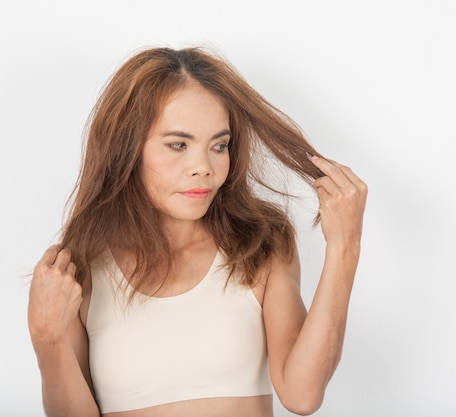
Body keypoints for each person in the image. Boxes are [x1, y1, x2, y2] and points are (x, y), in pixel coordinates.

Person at [26, 46, 367, 417]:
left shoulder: (260, 244)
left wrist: (344, 245)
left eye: (219, 146)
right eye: (178, 145)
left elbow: (303, 395)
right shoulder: (79, 271)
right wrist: (47, 338)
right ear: (126, 148)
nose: (203, 167)